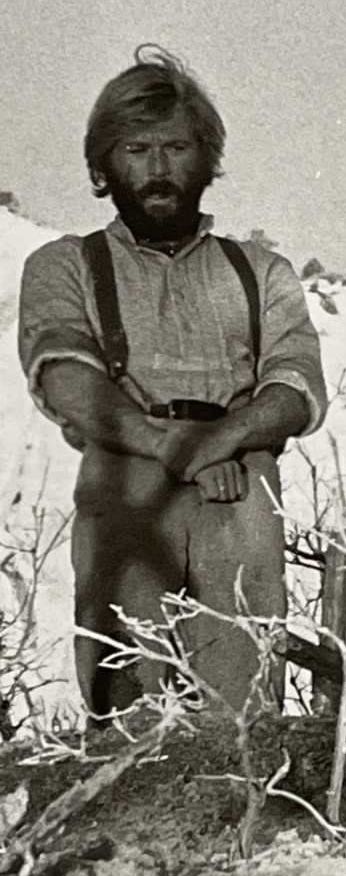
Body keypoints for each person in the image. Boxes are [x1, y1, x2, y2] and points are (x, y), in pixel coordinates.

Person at [18, 46, 327, 719]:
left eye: (177, 147)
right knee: (128, 714)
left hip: (238, 492)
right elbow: (65, 376)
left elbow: (295, 385)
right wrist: (172, 445)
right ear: (104, 164)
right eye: (136, 149)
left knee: (244, 719)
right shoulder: (65, 265)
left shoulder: (262, 272)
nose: (158, 168)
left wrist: (221, 441)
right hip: (125, 484)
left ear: (207, 159)